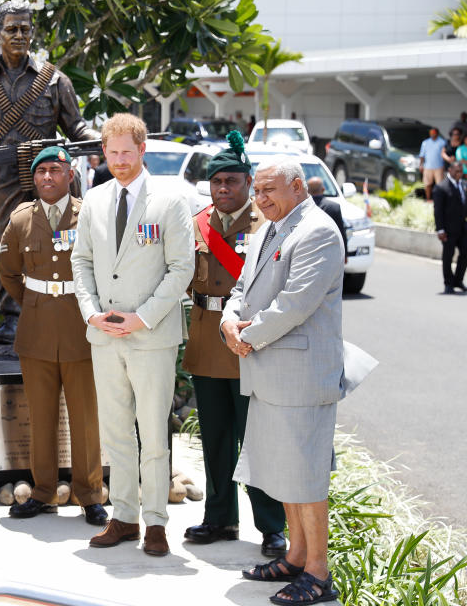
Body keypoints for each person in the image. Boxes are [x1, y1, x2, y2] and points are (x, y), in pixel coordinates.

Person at [221, 156, 345, 605]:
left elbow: (296, 304)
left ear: (298, 187)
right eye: (257, 191)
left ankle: (317, 573)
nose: (260, 199)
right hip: (269, 371)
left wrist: (246, 338)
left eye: (269, 189)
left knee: (307, 478)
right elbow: (240, 289)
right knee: (285, 474)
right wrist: (229, 323)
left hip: (300, 376)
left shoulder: (318, 232)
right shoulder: (265, 230)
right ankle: (295, 558)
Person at [71, 113, 194, 555]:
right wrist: (90, 312)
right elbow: (80, 262)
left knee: (154, 432)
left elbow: (183, 268)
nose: (119, 160)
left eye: (127, 152)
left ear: (143, 151)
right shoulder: (95, 198)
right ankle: (124, 517)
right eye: (112, 152)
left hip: (151, 335)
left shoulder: (170, 201)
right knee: (117, 432)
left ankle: (157, 522)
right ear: (103, 152)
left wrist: (143, 316)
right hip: (104, 335)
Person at [0, 0, 98, 344]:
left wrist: (104, 139)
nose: (19, 35)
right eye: (11, 29)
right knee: (10, 246)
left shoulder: (54, 80)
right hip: (4, 178)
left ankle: (66, 308)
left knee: (62, 245)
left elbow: (77, 127)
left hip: (49, 175)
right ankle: (10, 318)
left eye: (25, 28)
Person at [181, 134, 287, 558]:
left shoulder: (266, 226)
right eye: (216, 182)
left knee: (256, 440)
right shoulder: (198, 224)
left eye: (232, 181)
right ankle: (220, 516)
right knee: (215, 437)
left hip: (250, 341)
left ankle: (271, 526)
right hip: (208, 341)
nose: (223, 188)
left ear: (248, 183)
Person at [0, 146, 107, 526]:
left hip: (81, 328)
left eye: (55, 170)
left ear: (70, 174)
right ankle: (43, 492)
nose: (47, 177)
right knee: (40, 417)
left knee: (85, 418)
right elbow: (8, 273)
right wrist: (35, 301)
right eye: (41, 171)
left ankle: (90, 494)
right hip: (37, 327)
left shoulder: (90, 215)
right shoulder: (21, 219)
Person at [433, 161, 467, 294]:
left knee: (465, 253)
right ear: (450, 170)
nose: (460, 174)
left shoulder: (463, 186)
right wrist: (440, 229)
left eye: (461, 171)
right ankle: (448, 283)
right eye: (457, 171)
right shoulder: (441, 187)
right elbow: (438, 211)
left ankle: (458, 280)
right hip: (448, 229)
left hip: (462, 227)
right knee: (448, 255)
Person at [306, 177, 347, 256]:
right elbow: (341, 232)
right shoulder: (334, 207)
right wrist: (345, 253)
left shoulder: (301, 208)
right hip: (329, 251)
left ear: (307, 191)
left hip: (307, 251)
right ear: (323, 189)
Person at [419, 128, 445, 201]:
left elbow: (444, 154)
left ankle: (439, 199)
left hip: (439, 167)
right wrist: (421, 165)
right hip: (427, 166)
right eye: (431, 133)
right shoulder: (425, 142)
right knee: (427, 184)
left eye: (434, 133)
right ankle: (428, 199)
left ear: (437, 133)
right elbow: (422, 155)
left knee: (440, 185)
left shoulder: (442, 142)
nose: (432, 134)